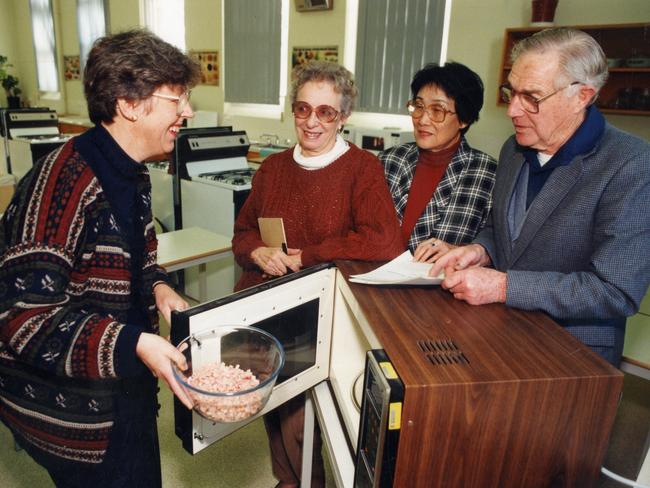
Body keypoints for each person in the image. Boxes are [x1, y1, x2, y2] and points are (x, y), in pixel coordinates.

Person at [0, 29, 200, 487]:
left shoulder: (133, 172)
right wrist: (135, 343)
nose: (186, 112)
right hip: (78, 419)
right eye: (177, 100)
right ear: (129, 104)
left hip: (125, 385)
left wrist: (161, 287)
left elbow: (142, 261)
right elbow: (22, 318)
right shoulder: (61, 184)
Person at [430, 28, 650, 367]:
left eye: (531, 97)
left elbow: (615, 291)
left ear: (582, 96)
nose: (513, 111)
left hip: (569, 358)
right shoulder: (514, 148)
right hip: (498, 335)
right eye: (511, 92)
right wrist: (481, 250)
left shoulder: (631, 165)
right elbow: (501, 226)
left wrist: (503, 287)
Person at [232, 60, 403, 487]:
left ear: (343, 117)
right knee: (268, 404)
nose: (311, 122)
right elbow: (241, 234)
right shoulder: (272, 170)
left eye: (326, 112)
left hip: (324, 309)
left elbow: (384, 243)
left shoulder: (362, 169)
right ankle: (289, 480)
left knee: (300, 418)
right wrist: (258, 252)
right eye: (303, 109)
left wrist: (309, 255)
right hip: (267, 302)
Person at [380, 62, 497, 264]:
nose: (423, 119)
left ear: (464, 119)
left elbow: (495, 250)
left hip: (442, 291)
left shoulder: (488, 174)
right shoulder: (389, 160)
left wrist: (459, 252)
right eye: (418, 106)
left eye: (437, 110)